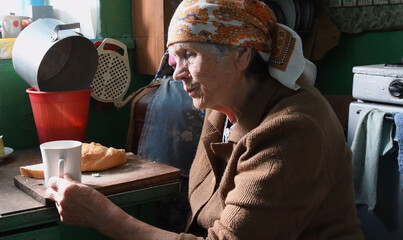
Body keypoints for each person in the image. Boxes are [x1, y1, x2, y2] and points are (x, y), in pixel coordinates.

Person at [46, 0, 364, 239]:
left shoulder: (293, 130)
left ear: (242, 54)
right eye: (175, 57)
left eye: (190, 56)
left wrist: (104, 217)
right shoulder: (219, 106)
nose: (178, 73)